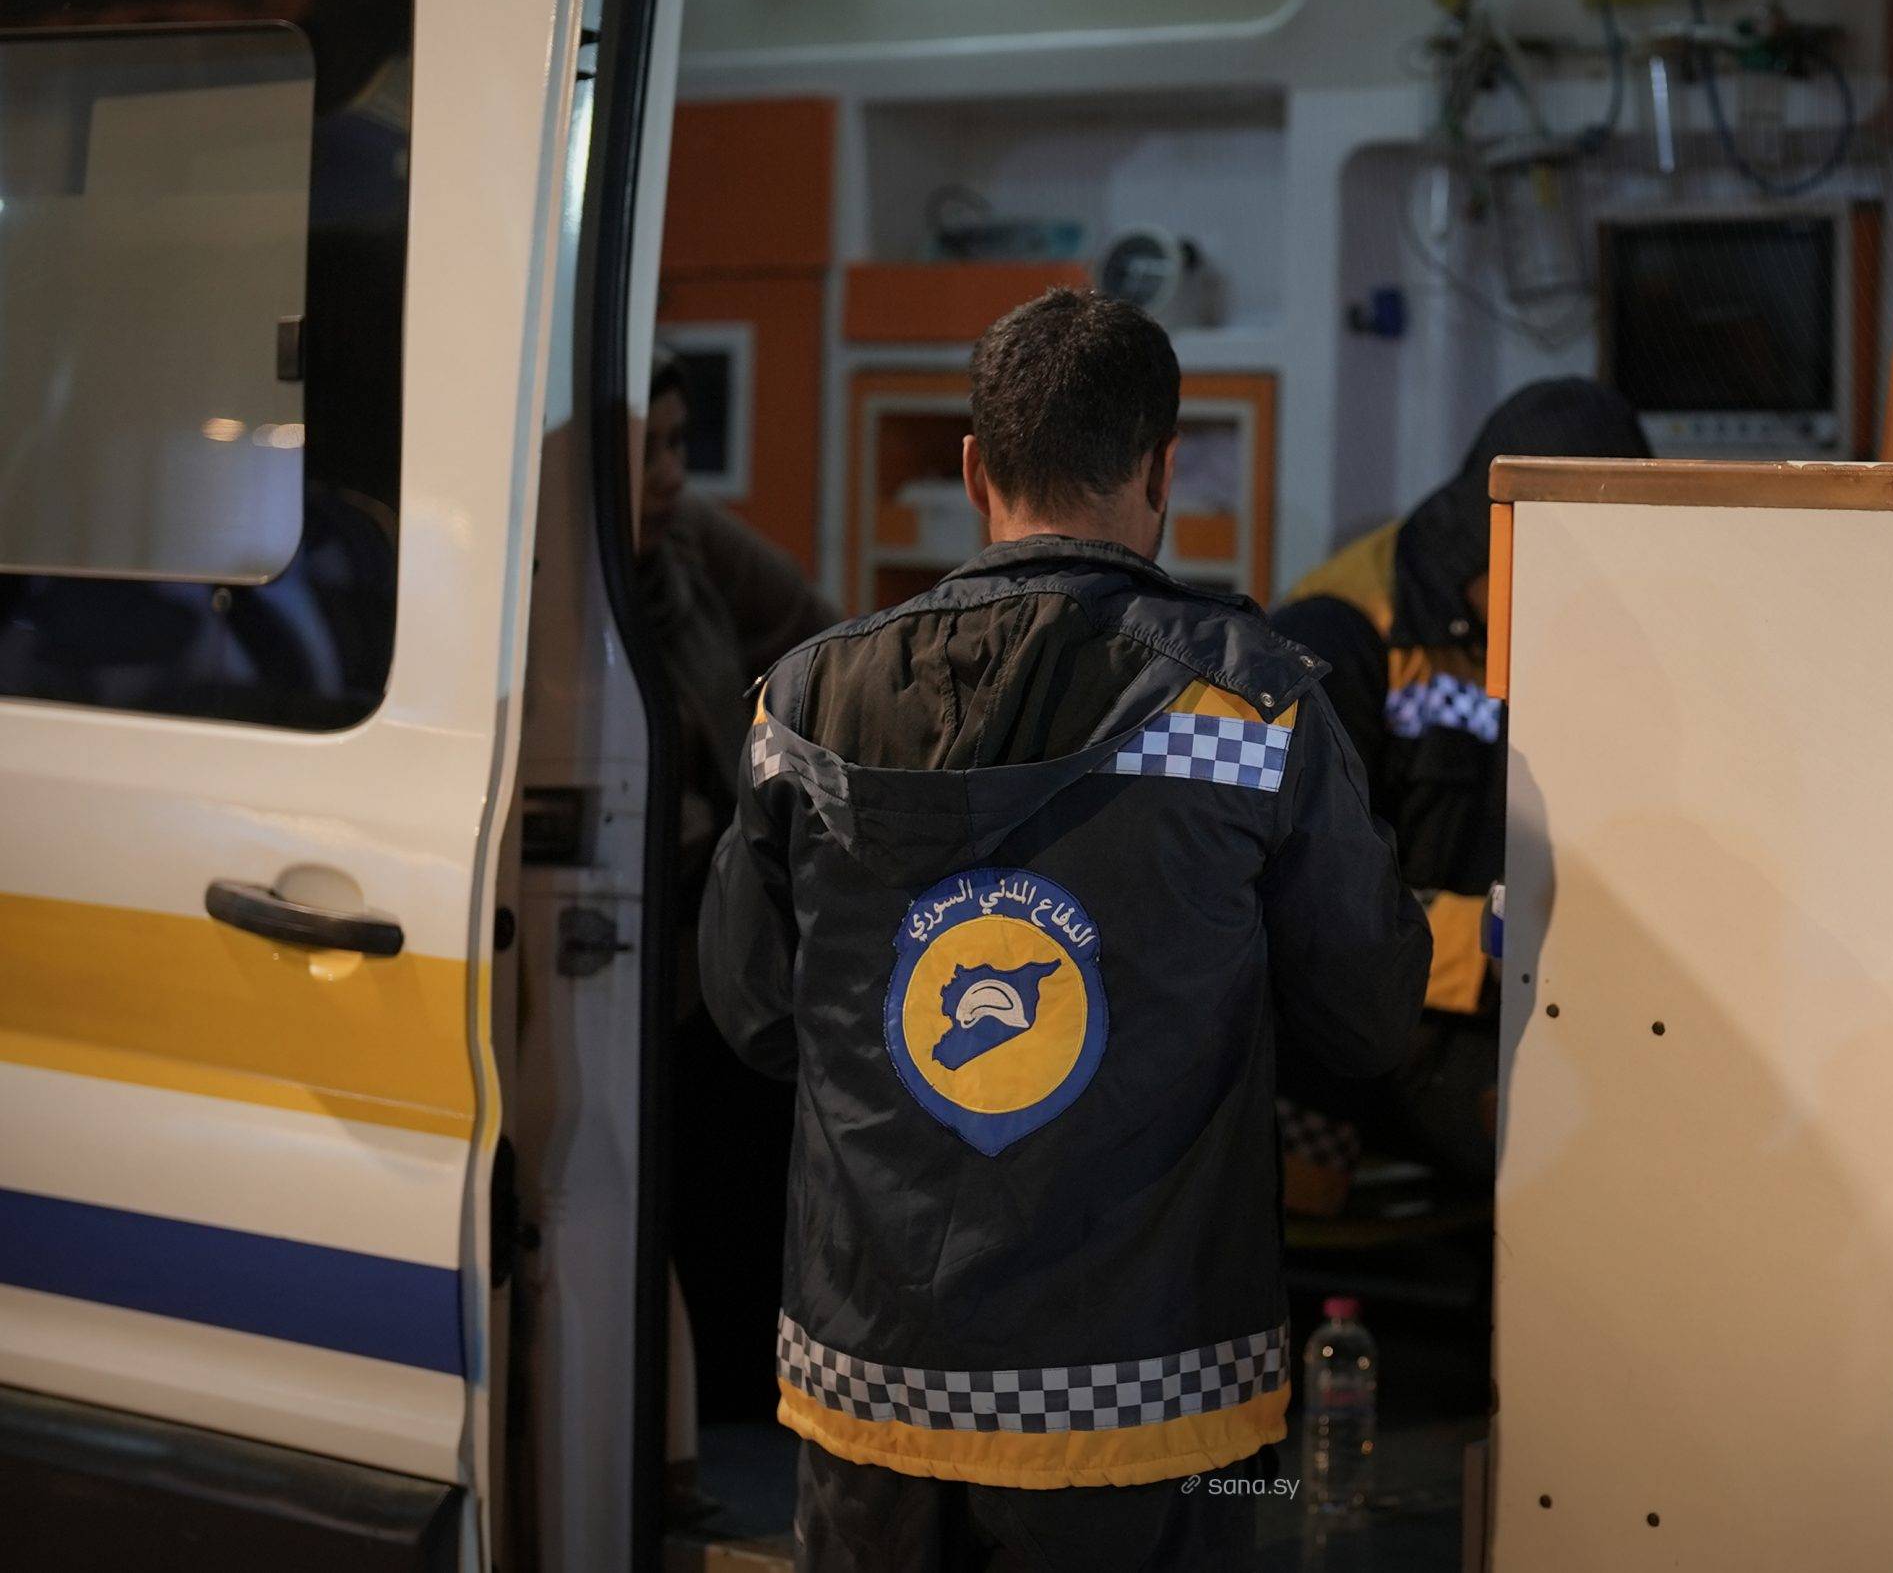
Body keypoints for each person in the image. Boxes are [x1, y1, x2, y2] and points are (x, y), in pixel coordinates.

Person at [698, 289, 1428, 1571]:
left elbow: (755, 1014)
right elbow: (1367, 1017)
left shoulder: (801, 706)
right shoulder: (1252, 711)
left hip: (874, 1383)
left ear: (974, 470)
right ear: (1161, 470)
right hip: (1153, 1397)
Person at [1271, 378, 1649, 1212]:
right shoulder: (1342, 633)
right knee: (1579, 1153)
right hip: (1368, 1025)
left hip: (1517, 994)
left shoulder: (1554, 624)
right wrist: (1511, 945)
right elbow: (1310, 910)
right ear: (1507, 532)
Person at [639, 350, 839, 1433]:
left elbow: (823, 637)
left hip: (716, 920)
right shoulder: (551, 580)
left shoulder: (683, 546)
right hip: (633, 943)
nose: (671, 472)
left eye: (678, 442)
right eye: (647, 450)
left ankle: (736, 1413)